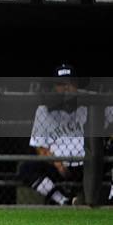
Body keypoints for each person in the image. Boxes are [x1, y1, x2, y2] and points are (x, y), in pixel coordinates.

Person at [18, 64, 103, 205]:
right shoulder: (43, 110)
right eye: (61, 84)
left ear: (77, 85)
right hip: (58, 166)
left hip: (86, 165)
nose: (66, 87)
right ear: (54, 87)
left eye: (70, 83)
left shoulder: (89, 106)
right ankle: (63, 200)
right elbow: (40, 147)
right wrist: (57, 163)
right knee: (27, 168)